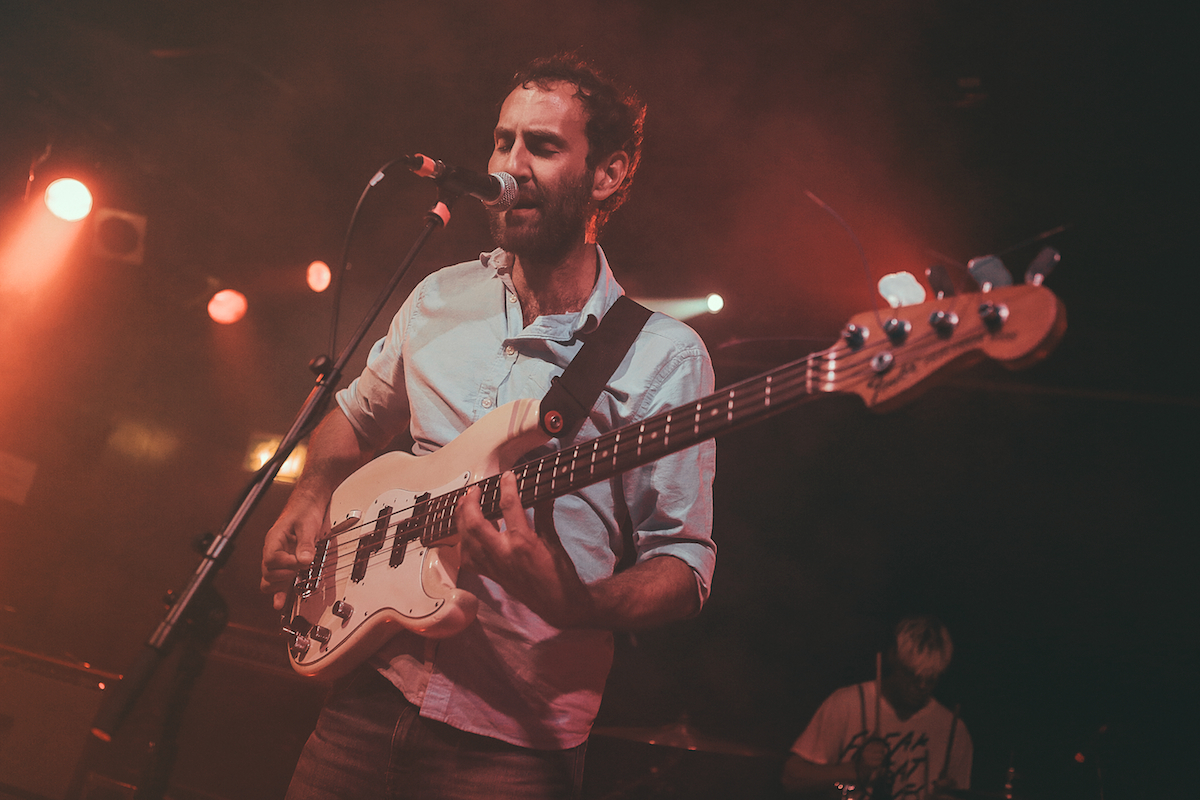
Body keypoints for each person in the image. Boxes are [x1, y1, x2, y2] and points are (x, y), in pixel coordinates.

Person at [260, 53, 717, 800]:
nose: (509, 164)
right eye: (503, 142)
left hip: (514, 746)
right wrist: (309, 496)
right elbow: (351, 418)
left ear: (607, 174)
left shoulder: (663, 357)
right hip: (365, 701)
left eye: (541, 146)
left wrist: (580, 605)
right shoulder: (441, 295)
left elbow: (683, 564)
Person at [781, 617, 972, 800]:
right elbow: (791, 779)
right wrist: (855, 769)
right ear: (892, 658)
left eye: (930, 679)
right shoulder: (848, 703)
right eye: (912, 675)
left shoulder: (953, 730)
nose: (921, 686)